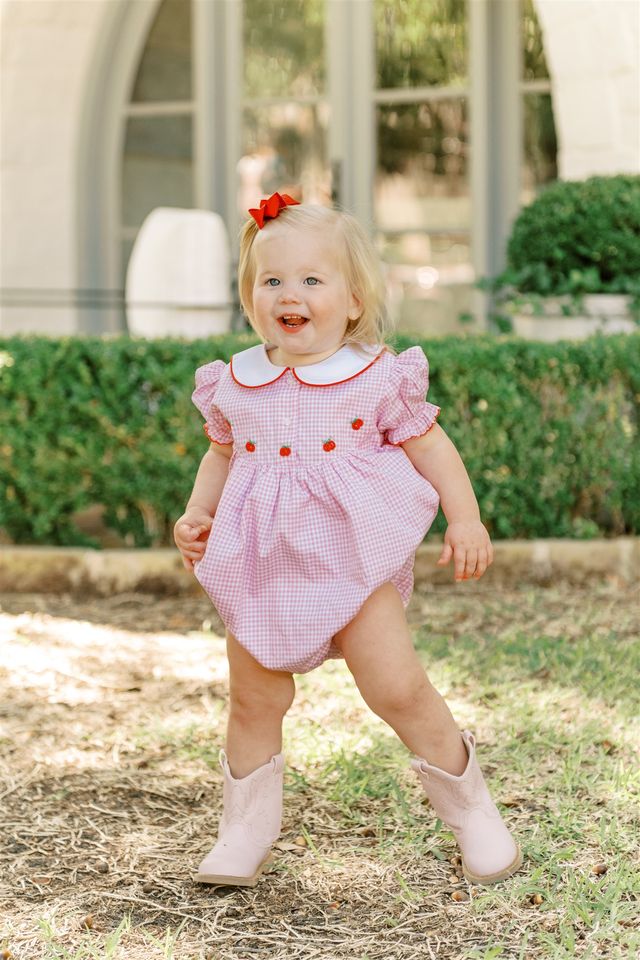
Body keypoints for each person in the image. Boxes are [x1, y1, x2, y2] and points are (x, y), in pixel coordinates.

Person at [174, 192, 522, 889]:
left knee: (396, 687)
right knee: (254, 698)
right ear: (250, 296)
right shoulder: (239, 381)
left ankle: (473, 811)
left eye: (311, 280)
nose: (288, 294)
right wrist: (197, 514)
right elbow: (222, 454)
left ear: (354, 300)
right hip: (262, 562)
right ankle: (245, 831)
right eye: (271, 281)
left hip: (353, 561)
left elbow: (432, 446)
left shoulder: (373, 376)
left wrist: (467, 517)